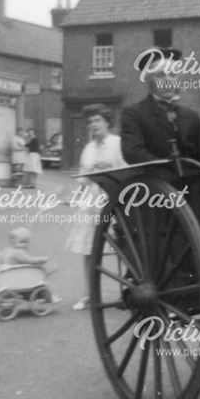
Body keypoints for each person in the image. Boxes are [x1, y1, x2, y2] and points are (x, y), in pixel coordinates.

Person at [119, 47, 200, 176]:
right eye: (160, 75)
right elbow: (133, 153)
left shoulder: (191, 116)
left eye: (173, 74)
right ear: (149, 79)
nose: (168, 80)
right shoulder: (133, 114)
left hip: (192, 186)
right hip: (155, 185)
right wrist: (169, 170)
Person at [65, 104, 125, 310]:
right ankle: (91, 295)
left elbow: (128, 170)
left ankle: (126, 293)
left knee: (123, 248)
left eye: (97, 120)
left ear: (108, 121)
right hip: (92, 201)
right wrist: (78, 191)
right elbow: (82, 179)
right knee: (89, 250)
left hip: (115, 198)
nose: (93, 125)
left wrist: (109, 169)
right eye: (90, 122)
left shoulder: (118, 143)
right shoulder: (88, 148)